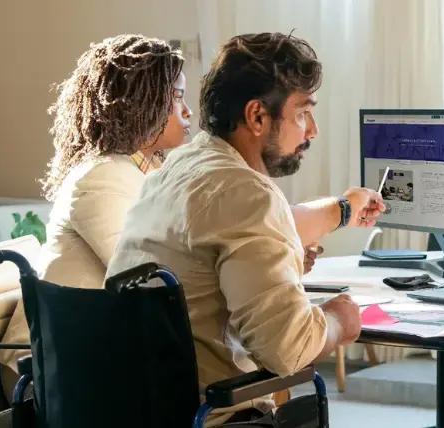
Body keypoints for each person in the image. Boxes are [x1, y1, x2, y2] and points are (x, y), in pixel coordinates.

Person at [106, 32, 384, 426]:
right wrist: (339, 322)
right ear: (257, 117)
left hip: (134, 407)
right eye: (303, 112)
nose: (312, 131)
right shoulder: (249, 193)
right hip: (210, 416)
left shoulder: (176, 168)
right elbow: (288, 350)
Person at [0, 34, 193, 394]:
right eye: (177, 96)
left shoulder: (144, 173)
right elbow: (143, 277)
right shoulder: (100, 176)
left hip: (92, 349)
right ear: (140, 102)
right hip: (43, 368)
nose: (188, 111)